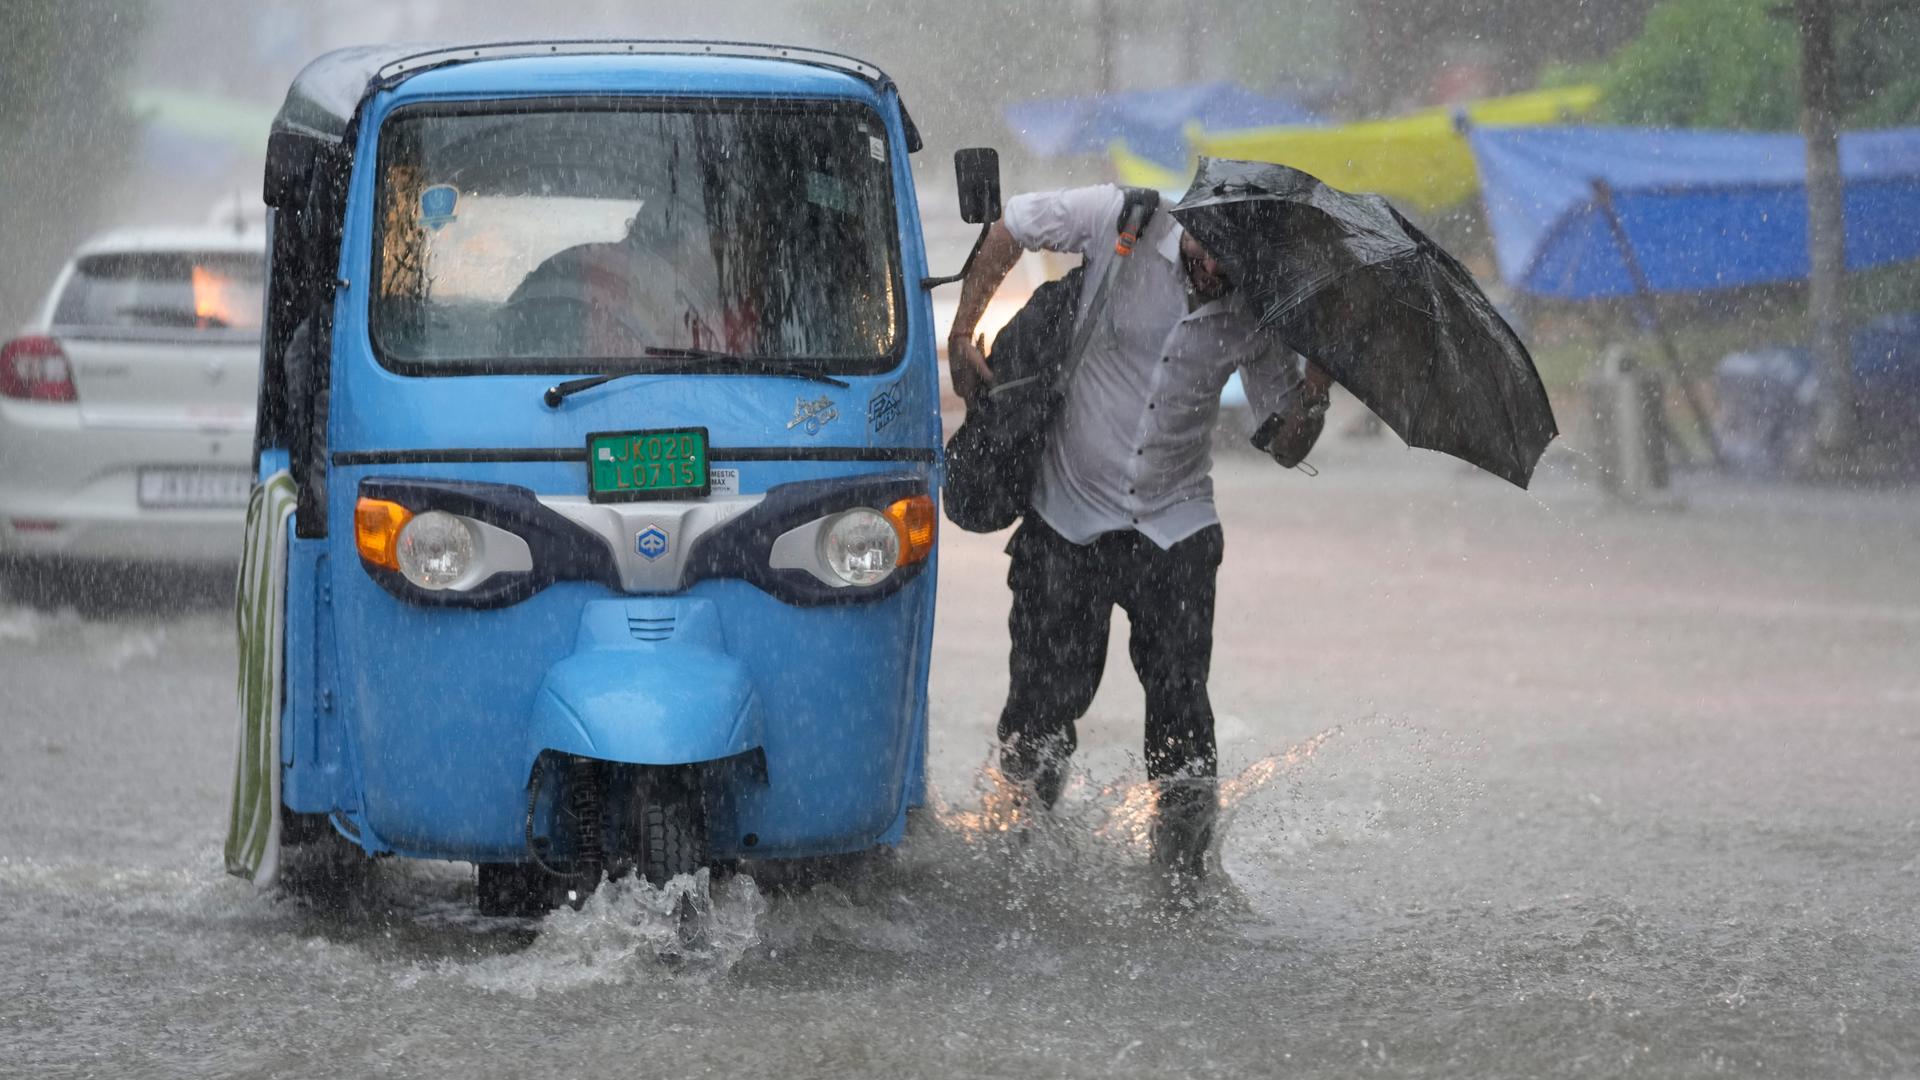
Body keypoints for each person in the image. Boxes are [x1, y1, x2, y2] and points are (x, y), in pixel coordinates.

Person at [947, 183, 1331, 879]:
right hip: (1066, 516)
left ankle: (1184, 885)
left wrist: (1318, 386)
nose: (1215, 273)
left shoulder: (1256, 304)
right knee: (1038, 718)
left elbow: (1284, 444)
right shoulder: (1118, 217)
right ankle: (1019, 863)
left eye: (1234, 266)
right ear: (1192, 219)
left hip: (1175, 526)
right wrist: (963, 324)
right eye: (1209, 252)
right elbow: (1015, 224)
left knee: (1183, 724)